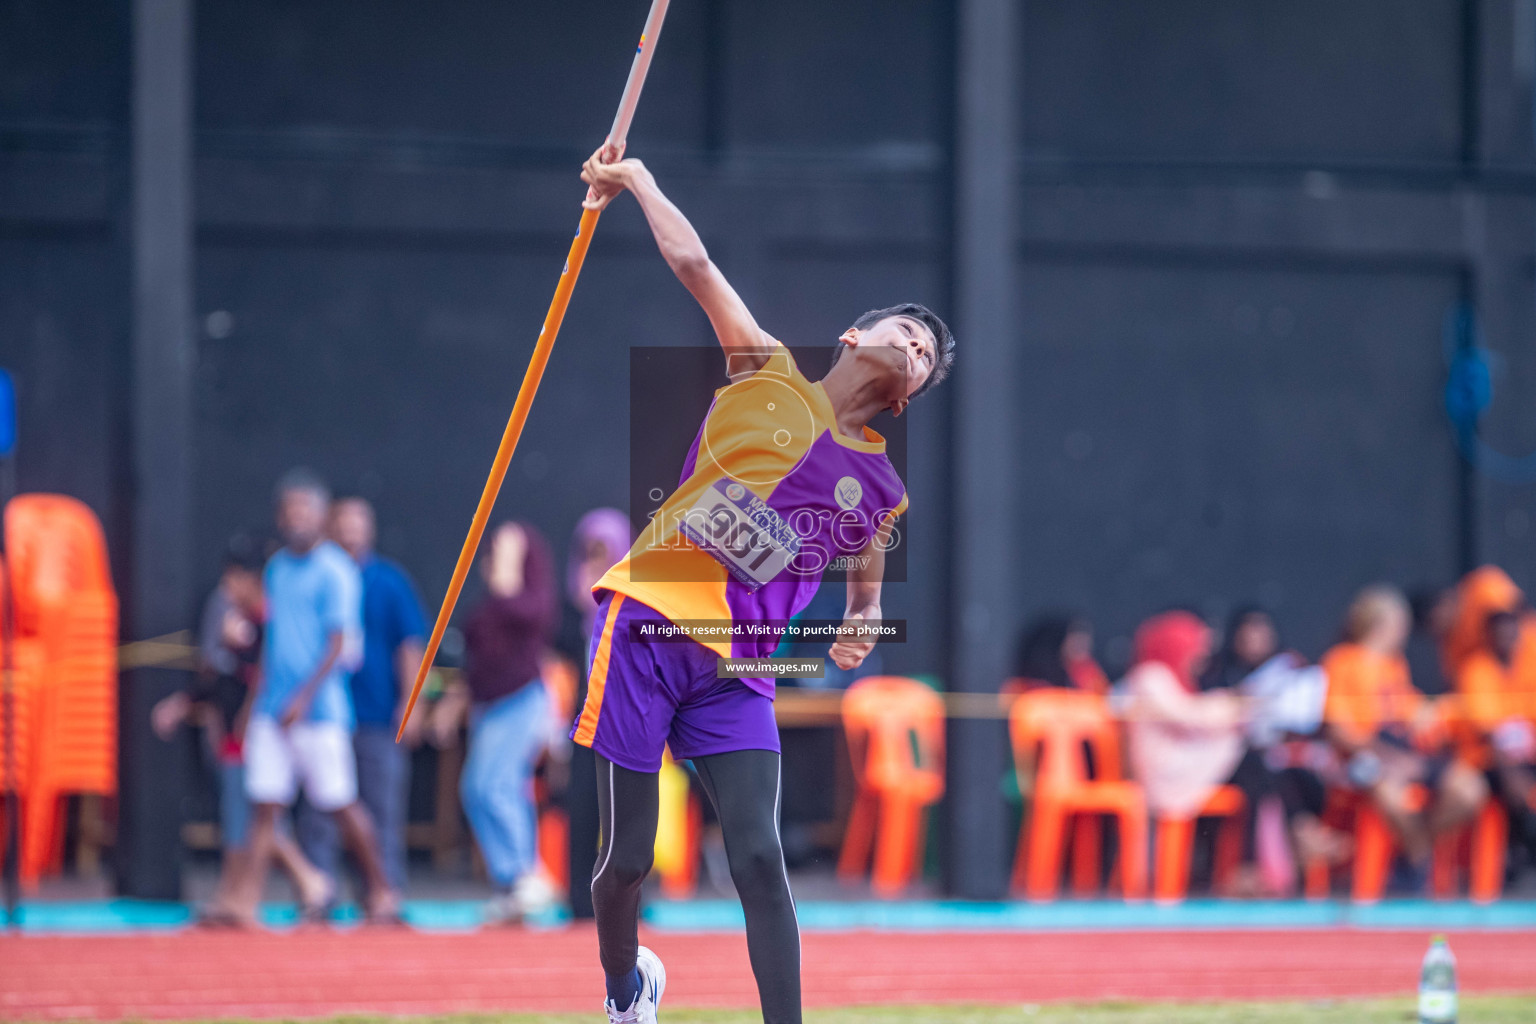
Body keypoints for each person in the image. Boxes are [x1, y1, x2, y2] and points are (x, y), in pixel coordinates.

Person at [573, 142, 954, 1024]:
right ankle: (627, 995)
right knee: (628, 859)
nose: (917, 346)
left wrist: (863, 624)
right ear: (855, 337)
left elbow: (867, 597)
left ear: (909, 395)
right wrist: (636, 180)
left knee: (759, 860)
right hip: (647, 627)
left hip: (735, 673)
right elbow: (696, 264)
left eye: (928, 354)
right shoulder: (766, 370)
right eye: (908, 330)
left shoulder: (882, 489)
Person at [240, 469, 401, 923]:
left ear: (320, 516)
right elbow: (273, 643)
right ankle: (248, 903)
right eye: (289, 510)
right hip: (273, 708)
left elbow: (339, 645)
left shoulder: (337, 570)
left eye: (305, 509)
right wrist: (257, 702)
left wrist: (304, 698)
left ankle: (382, 890)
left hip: (321, 711)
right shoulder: (276, 569)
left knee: (340, 805)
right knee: (263, 806)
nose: (297, 518)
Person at [151, 535, 329, 925]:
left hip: (256, 730)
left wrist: (248, 720)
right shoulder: (242, 621)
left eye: (234, 581)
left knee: (256, 817)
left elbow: (263, 678)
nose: (228, 590)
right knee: (246, 817)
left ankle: (283, 886)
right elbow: (218, 679)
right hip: (236, 730)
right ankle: (239, 895)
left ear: (251, 581)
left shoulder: (272, 623)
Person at [297, 498, 427, 894]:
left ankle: (383, 894)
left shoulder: (389, 580)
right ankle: (320, 893)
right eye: (343, 523)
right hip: (327, 713)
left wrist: (412, 700)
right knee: (321, 810)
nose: (351, 531)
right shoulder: (317, 576)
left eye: (358, 523)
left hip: (377, 713)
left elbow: (410, 644)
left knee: (381, 809)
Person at [433, 521, 561, 923]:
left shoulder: (528, 601)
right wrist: (450, 706)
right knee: (476, 789)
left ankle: (528, 873)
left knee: (499, 785)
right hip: (489, 707)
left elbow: (527, 612)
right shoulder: (484, 613)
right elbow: (472, 665)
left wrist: (509, 564)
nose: (493, 564)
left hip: (519, 701)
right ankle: (510, 883)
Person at [1321, 585, 1487, 871]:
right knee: (1391, 795)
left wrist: (1431, 716)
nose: (1404, 632)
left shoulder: (1395, 665)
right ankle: (1415, 860)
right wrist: (1390, 757)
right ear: (1381, 624)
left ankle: (1414, 850)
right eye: (1400, 624)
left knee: (1470, 789)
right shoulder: (1341, 661)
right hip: (1363, 759)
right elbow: (1338, 730)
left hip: (1406, 754)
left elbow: (1409, 715)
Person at [558, 508, 635, 920]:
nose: (597, 557)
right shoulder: (571, 604)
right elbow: (561, 650)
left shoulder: (640, 597)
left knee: (629, 812)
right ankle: (577, 897)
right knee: (583, 806)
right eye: (590, 550)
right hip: (584, 719)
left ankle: (629, 901)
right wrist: (586, 597)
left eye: (604, 550)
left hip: (627, 716)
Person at [1012, 614, 1107, 693]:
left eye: (1085, 643)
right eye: (1076, 642)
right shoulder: (1038, 672)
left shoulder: (1085, 669)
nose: (1082, 648)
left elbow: (1101, 697)